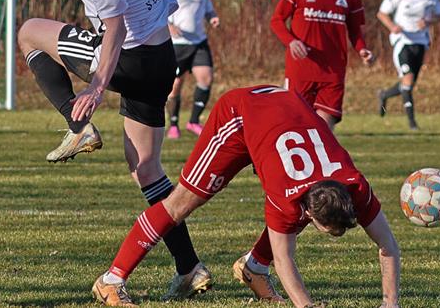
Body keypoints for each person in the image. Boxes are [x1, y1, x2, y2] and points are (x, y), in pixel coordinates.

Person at [19, 0, 209, 300]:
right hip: (161, 61)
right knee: (146, 170)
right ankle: (189, 267)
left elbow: (116, 28)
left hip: (128, 58)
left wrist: (96, 88)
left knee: (29, 32)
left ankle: (78, 125)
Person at [91, 85, 401, 308]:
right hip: (239, 115)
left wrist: (391, 303)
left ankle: (253, 269)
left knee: (290, 221)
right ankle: (111, 280)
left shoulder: (355, 185)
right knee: (181, 203)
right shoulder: (287, 194)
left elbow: (388, 245)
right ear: (309, 210)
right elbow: (285, 259)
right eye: (327, 228)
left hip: (282, 111)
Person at [270, 0, 374, 131]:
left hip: (333, 72)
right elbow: (277, 21)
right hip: (301, 70)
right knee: (296, 128)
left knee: (323, 133)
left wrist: (362, 49)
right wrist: (291, 41)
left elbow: (355, 30)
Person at [160, 0, 220, 139]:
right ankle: (174, 125)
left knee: (206, 78)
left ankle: (193, 121)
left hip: (198, 41)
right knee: (176, 85)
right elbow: (154, 8)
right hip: (177, 43)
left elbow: (208, 9)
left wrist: (213, 18)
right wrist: (168, 25)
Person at [376, 0, 440, 130]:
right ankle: (412, 123)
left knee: (409, 84)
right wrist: (393, 27)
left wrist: (428, 21)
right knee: (407, 78)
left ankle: (384, 95)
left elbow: (439, 15)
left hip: (420, 43)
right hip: (402, 41)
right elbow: (382, 13)